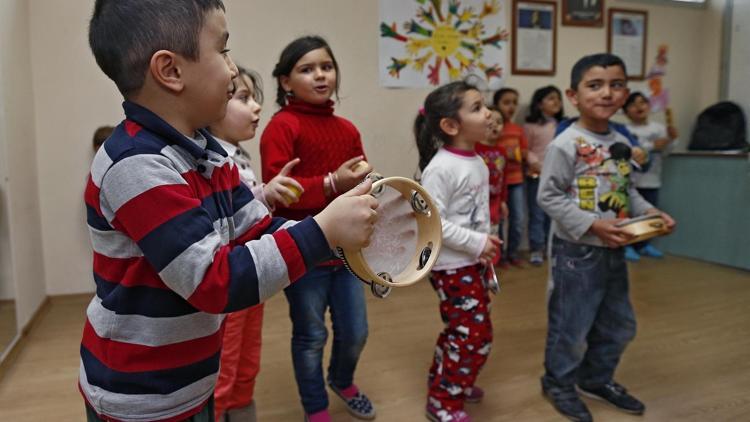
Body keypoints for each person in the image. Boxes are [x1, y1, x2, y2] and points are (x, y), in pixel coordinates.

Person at [81, 3, 378, 421]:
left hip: (193, 377)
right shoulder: (136, 165)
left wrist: (346, 237)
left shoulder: (208, 153)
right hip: (140, 396)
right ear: (170, 71)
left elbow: (255, 228)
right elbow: (214, 281)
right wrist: (324, 231)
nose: (234, 69)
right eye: (223, 50)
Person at [537, 53, 675, 422]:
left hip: (614, 250)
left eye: (616, 85)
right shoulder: (565, 144)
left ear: (625, 93)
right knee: (572, 326)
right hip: (576, 252)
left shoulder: (620, 142)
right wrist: (592, 224)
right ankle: (558, 383)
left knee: (619, 324)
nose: (606, 93)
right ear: (574, 95)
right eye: (594, 85)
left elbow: (626, 191)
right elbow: (547, 196)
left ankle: (595, 378)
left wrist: (651, 214)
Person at [260, 35, 375, 422]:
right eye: (306, 69)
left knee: (355, 331)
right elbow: (278, 196)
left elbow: (358, 184)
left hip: (347, 254)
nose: (320, 75)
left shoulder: (347, 128)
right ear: (286, 82)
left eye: (326, 67)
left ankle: (342, 380)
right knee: (311, 337)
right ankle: (316, 408)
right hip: (304, 254)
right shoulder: (281, 126)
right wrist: (330, 184)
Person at [206, 66, 302, 421]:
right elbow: (229, 215)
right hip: (229, 276)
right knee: (226, 358)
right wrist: (264, 195)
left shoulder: (238, 155)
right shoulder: (214, 158)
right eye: (244, 99)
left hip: (250, 274)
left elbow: (245, 206)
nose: (257, 107)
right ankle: (220, 409)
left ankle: (241, 406)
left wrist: (266, 192)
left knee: (248, 351)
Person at [417, 81, 500, 422]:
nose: (489, 113)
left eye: (485, 105)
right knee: (473, 336)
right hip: (451, 267)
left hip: (472, 263)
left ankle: (450, 380)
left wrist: (485, 242)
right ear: (451, 125)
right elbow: (432, 222)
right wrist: (477, 242)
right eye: (477, 107)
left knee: (463, 331)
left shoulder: (477, 161)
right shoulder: (441, 167)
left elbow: (472, 213)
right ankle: (443, 401)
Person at [622, 92, 678, 261]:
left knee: (649, 215)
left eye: (643, 103)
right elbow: (629, 152)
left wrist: (671, 139)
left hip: (652, 179)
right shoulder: (625, 130)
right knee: (627, 215)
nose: (639, 107)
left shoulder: (659, 128)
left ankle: (643, 245)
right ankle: (627, 246)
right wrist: (652, 145)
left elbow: (667, 152)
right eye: (633, 104)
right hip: (630, 181)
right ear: (625, 111)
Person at [523, 85, 565, 266]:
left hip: (559, 178)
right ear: (539, 104)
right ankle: (537, 249)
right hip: (536, 176)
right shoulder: (530, 126)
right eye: (551, 98)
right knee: (538, 215)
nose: (556, 102)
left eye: (558, 98)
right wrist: (536, 164)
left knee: (555, 215)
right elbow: (526, 150)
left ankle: (552, 247)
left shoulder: (564, 125)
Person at [493, 87, 528, 268]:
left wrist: (515, 154)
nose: (511, 106)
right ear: (497, 104)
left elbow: (524, 153)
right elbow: (490, 152)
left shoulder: (518, 130)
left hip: (517, 181)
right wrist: (508, 154)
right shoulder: (493, 127)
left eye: (515, 102)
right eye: (506, 102)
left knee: (518, 220)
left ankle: (513, 253)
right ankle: (500, 256)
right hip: (498, 184)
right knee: (498, 221)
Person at [475, 106, 509, 246]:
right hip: (478, 200)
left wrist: (503, 201)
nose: (495, 125)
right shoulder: (475, 148)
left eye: (499, 122)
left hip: (495, 200)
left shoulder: (502, 150)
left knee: (493, 232)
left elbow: (504, 177)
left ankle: (492, 264)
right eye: (490, 121)